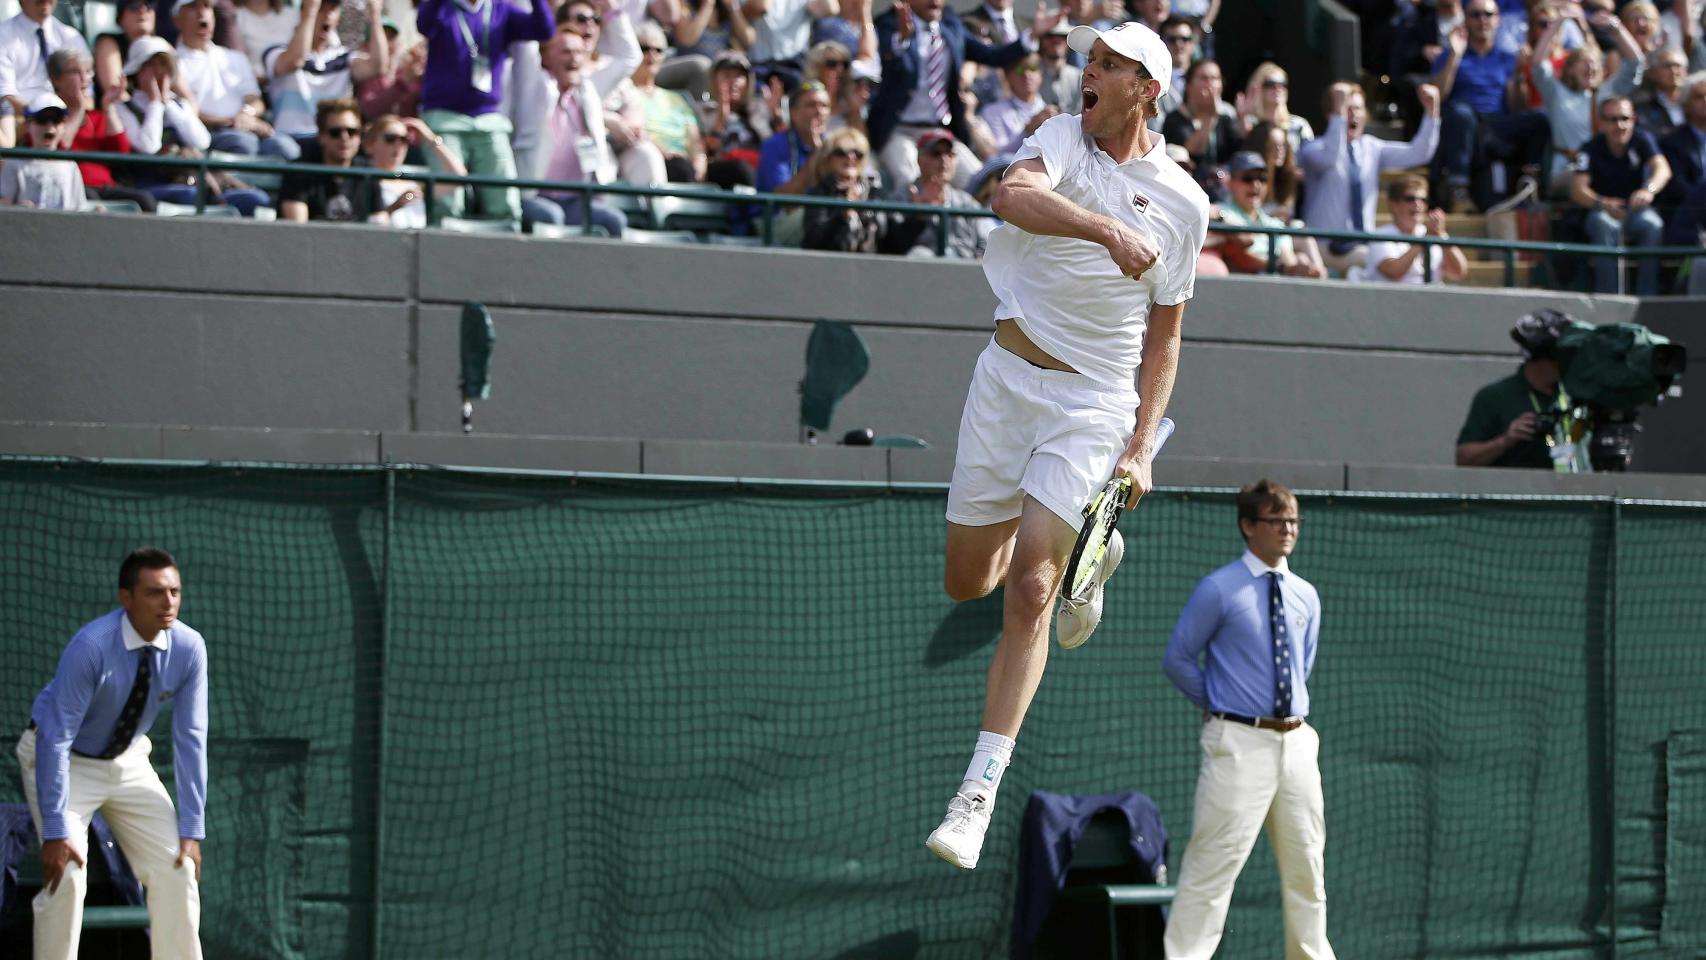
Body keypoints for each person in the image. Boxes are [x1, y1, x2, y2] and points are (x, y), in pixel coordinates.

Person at [924, 20, 1207, 871]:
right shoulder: (1057, 138)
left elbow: (1166, 335)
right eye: (1092, 58)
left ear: (1146, 90)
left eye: (1112, 64)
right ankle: (1094, 546)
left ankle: (976, 795)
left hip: (1093, 401)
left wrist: (1141, 447)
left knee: (1032, 587)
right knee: (970, 581)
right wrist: (1108, 231)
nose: (1092, 70)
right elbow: (1010, 198)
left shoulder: (1185, 203)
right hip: (1006, 381)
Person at [1160, 479, 1332, 960]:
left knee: (1308, 868)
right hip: (1237, 742)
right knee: (1211, 868)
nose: (1288, 529)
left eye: (1293, 520)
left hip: (1297, 744)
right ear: (1248, 526)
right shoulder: (1219, 588)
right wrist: (1221, 703)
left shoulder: (1306, 595)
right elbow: (1178, 659)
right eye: (1276, 520)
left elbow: (1302, 666)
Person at [16, 547, 207, 960]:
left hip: (128, 759)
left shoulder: (190, 647)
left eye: (174, 591)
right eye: (155, 592)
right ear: (126, 598)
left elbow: (191, 737)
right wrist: (55, 829)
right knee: (67, 872)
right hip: (62, 759)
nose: (168, 602)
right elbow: (56, 737)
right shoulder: (92, 645)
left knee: (179, 868)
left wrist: (191, 830)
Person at [867, 0, 1051, 191]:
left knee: (981, 183)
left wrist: (1032, 35)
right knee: (911, 183)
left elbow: (992, 56)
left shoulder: (950, 25)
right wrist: (901, 40)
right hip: (899, 130)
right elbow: (886, 59)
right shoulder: (889, 23)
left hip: (941, 132)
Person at [416, 0, 551, 222]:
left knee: (505, 199)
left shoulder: (501, 9)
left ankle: (507, 242)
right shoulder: (444, 7)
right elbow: (424, 24)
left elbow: (543, 30)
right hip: (444, 119)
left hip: (488, 119)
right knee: (449, 202)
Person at [1299, 80, 1441, 274]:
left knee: (1385, 265)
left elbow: (1419, 153)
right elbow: (1329, 159)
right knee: (1381, 265)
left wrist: (1432, 111)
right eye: (1347, 108)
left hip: (1361, 245)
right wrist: (1338, 116)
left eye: (1358, 108)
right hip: (1321, 248)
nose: (1353, 114)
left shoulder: (1373, 148)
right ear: (1331, 115)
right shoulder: (1313, 148)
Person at [1428, 0, 1551, 211]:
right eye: (1475, 15)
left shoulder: (1508, 58)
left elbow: (1516, 106)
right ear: (1466, 20)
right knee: (1461, 114)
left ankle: (1529, 183)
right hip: (1465, 123)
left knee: (1539, 120)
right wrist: (1454, 57)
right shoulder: (1449, 54)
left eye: (1488, 14)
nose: (1482, 20)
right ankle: (1459, 190)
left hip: (1497, 123)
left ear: (1497, 19)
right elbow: (1437, 95)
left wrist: (1519, 76)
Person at [517, 32, 628, 234]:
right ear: (546, 57)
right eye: (566, 52)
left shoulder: (588, 90)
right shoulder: (535, 88)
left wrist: (613, 15)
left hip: (576, 198)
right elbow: (526, 50)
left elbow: (628, 58)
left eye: (579, 52)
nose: (574, 58)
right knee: (552, 217)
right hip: (535, 195)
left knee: (614, 221)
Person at [175, 0, 301, 159]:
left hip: (246, 128)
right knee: (244, 143)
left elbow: (255, 101)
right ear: (177, 20)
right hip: (209, 134)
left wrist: (246, 115)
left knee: (287, 149)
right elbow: (186, 112)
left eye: (207, 6)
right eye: (193, 7)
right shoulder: (172, 63)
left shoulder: (236, 58)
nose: (202, 13)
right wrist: (233, 122)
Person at [1570, 94, 1670, 294]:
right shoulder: (1589, 148)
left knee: (1653, 224)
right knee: (1602, 223)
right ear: (1601, 123)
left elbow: (1663, 170)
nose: (1620, 125)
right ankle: (1610, 297)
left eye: (1625, 118)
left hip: (1635, 210)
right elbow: (1577, 189)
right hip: (1602, 211)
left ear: (1633, 119)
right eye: (1612, 119)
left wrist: (1648, 191)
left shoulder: (1642, 139)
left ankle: (1647, 297)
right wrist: (1603, 203)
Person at [1455, 309, 1576, 468]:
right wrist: (1505, 440)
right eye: (1560, 356)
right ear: (1539, 357)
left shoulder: (1578, 395)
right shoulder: (1495, 397)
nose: (1568, 362)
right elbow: (1464, 459)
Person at [46, 48, 158, 211]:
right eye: (75, 72)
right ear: (56, 79)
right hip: (73, 187)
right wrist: (78, 109)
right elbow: (58, 146)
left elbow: (121, 153)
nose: (84, 78)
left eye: (87, 72)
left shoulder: (96, 117)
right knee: (92, 200)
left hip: (105, 187)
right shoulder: (46, 117)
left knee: (145, 200)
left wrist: (108, 106)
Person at [265, 0, 388, 142]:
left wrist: (375, 16)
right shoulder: (276, 52)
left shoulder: (344, 58)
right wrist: (309, 12)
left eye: (333, 9)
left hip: (333, 141)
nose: (327, 15)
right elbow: (295, 61)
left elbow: (378, 66)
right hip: (292, 139)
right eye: (321, 9)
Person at [1206, 150, 1323, 277]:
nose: (1256, 185)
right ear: (1230, 182)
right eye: (1247, 179)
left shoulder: (1274, 224)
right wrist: (1222, 219)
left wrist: (1304, 270)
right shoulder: (1218, 211)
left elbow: (1289, 261)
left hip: (1272, 285)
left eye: (1262, 179)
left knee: (1304, 254)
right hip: (1235, 285)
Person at [1347, 173, 1470, 284]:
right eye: (1410, 199)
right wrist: (1424, 241)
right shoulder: (1380, 236)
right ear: (1394, 204)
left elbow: (1458, 272)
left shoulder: (1434, 235)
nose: (1418, 204)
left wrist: (1441, 234)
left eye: (1423, 200)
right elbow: (1394, 271)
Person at [0, 0, 91, 148]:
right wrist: (42, 117)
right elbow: (6, 98)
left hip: (68, 120)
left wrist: (60, 119)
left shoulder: (70, 36)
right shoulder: (3, 35)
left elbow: (89, 97)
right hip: (23, 122)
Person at [627, 21, 707, 181]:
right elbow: (633, 131)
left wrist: (699, 162)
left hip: (684, 163)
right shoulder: (624, 93)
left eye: (658, 50)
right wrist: (662, 152)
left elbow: (694, 140)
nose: (652, 55)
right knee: (681, 169)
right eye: (644, 48)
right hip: (649, 159)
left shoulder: (678, 98)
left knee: (739, 171)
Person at [363, 112, 471, 227]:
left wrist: (429, 137)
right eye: (390, 139)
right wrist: (395, 206)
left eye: (404, 139)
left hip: (418, 238)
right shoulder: (362, 180)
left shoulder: (415, 179)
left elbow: (460, 177)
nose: (398, 145)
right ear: (369, 145)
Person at [278, 95, 376, 219]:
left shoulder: (368, 172)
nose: (344, 138)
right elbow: (298, 227)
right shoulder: (299, 172)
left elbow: (379, 220)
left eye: (352, 131)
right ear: (321, 137)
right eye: (335, 132)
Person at [888, 126, 983, 255]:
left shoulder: (967, 202)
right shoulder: (901, 198)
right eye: (936, 154)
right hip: (921, 266)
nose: (944, 160)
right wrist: (918, 218)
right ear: (919, 159)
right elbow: (891, 248)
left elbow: (985, 244)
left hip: (963, 266)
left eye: (950, 154)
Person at [1, 92, 87, 209]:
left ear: (64, 125)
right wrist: (18, 210)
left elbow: (79, 208)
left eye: (56, 120)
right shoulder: (14, 164)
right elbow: (4, 207)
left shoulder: (70, 166)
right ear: (28, 125)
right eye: (42, 119)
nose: (50, 126)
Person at [978, 52, 1055, 154]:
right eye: (1020, 70)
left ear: (1041, 75)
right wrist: (1027, 131)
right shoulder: (992, 112)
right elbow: (998, 155)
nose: (1027, 75)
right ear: (1007, 76)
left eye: (1033, 69)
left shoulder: (1051, 112)